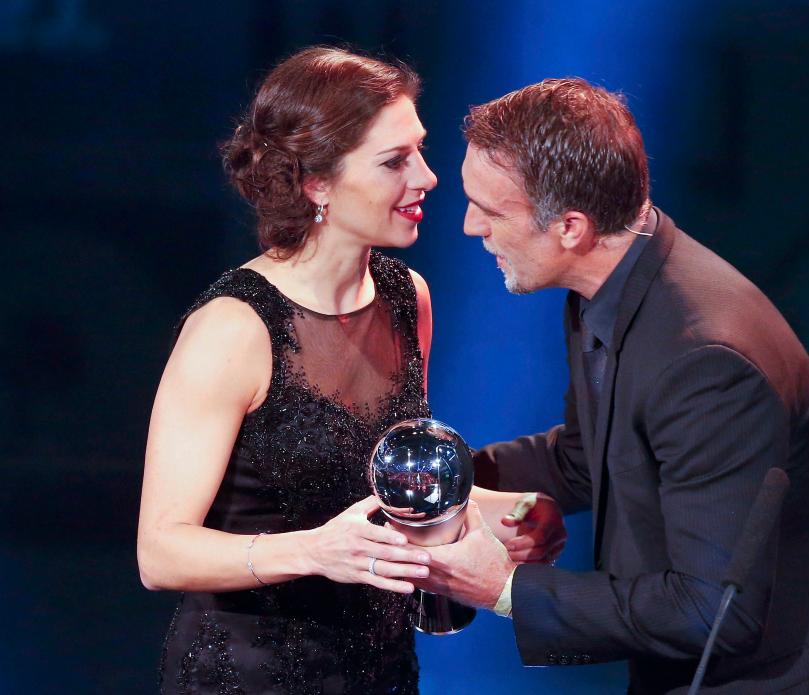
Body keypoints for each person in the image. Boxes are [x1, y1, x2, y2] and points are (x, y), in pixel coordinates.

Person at [418, 79, 809, 693]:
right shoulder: (607, 288)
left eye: (490, 211)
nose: (470, 227)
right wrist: (429, 481)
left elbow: (714, 611)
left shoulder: (706, 362)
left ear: (570, 226)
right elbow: (586, 458)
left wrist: (506, 590)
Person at [136, 48, 564, 694]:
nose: (427, 177)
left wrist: (514, 512)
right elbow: (160, 551)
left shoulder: (405, 297)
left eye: (419, 151)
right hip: (247, 678)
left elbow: (381, 487)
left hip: (378, 673)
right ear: (317, 184)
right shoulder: (233, 329)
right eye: (395, 161)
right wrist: (310, 550)